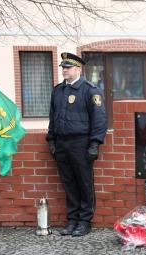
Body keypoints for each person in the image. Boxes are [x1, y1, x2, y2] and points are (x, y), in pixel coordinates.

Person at [46, 52, 107, 237]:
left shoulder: (90, 90)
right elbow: (52, 117)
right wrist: (51, 140)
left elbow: (99, 119)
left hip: (81, 143)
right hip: (62, 144)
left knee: (84, 182)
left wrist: (95, 143)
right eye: (63, 67)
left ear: (78, 69)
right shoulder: (58, 90)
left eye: (68, 67)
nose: (64, 70)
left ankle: (84, 221)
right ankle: (72, 220)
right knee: (69, 183)